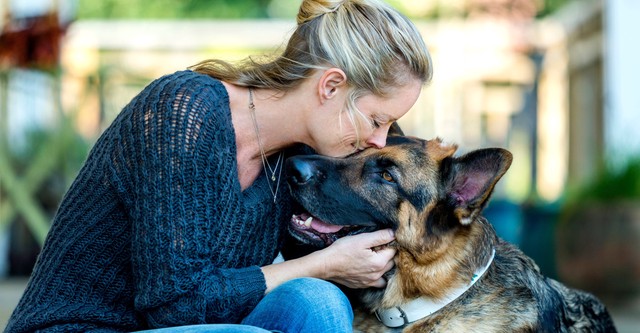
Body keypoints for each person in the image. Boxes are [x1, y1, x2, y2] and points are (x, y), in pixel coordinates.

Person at [5, 0, 432, 332]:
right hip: (83, 327)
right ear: (331, 85)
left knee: (316, 302)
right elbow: (175, 305)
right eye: (378, 120)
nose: (380, 140)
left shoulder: (300, 162)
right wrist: (323, 264)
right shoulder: (186, 112)